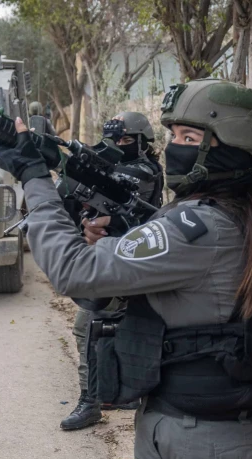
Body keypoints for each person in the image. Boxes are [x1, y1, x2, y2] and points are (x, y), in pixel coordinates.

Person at [0, 78, 252, 459]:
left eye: (189, 138)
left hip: (199, 448)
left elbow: (73, 271)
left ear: (230, 146)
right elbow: (164, 298)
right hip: (205, 441)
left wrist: (34, 176)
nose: (173, 147)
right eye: (173, 134)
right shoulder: (246, 211)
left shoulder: (198, 225)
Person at [60, 111, 165, 430]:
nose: (117, 146)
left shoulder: (143, 170)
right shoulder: (120, 170)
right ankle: (120, 389)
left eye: (123, 140)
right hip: (119, 259)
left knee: (87, 325)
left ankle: (90, 401)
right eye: (112, 140)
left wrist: (77, 164)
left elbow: (110, 180)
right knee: (120, 328)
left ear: (142, 143)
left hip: (135, 263)